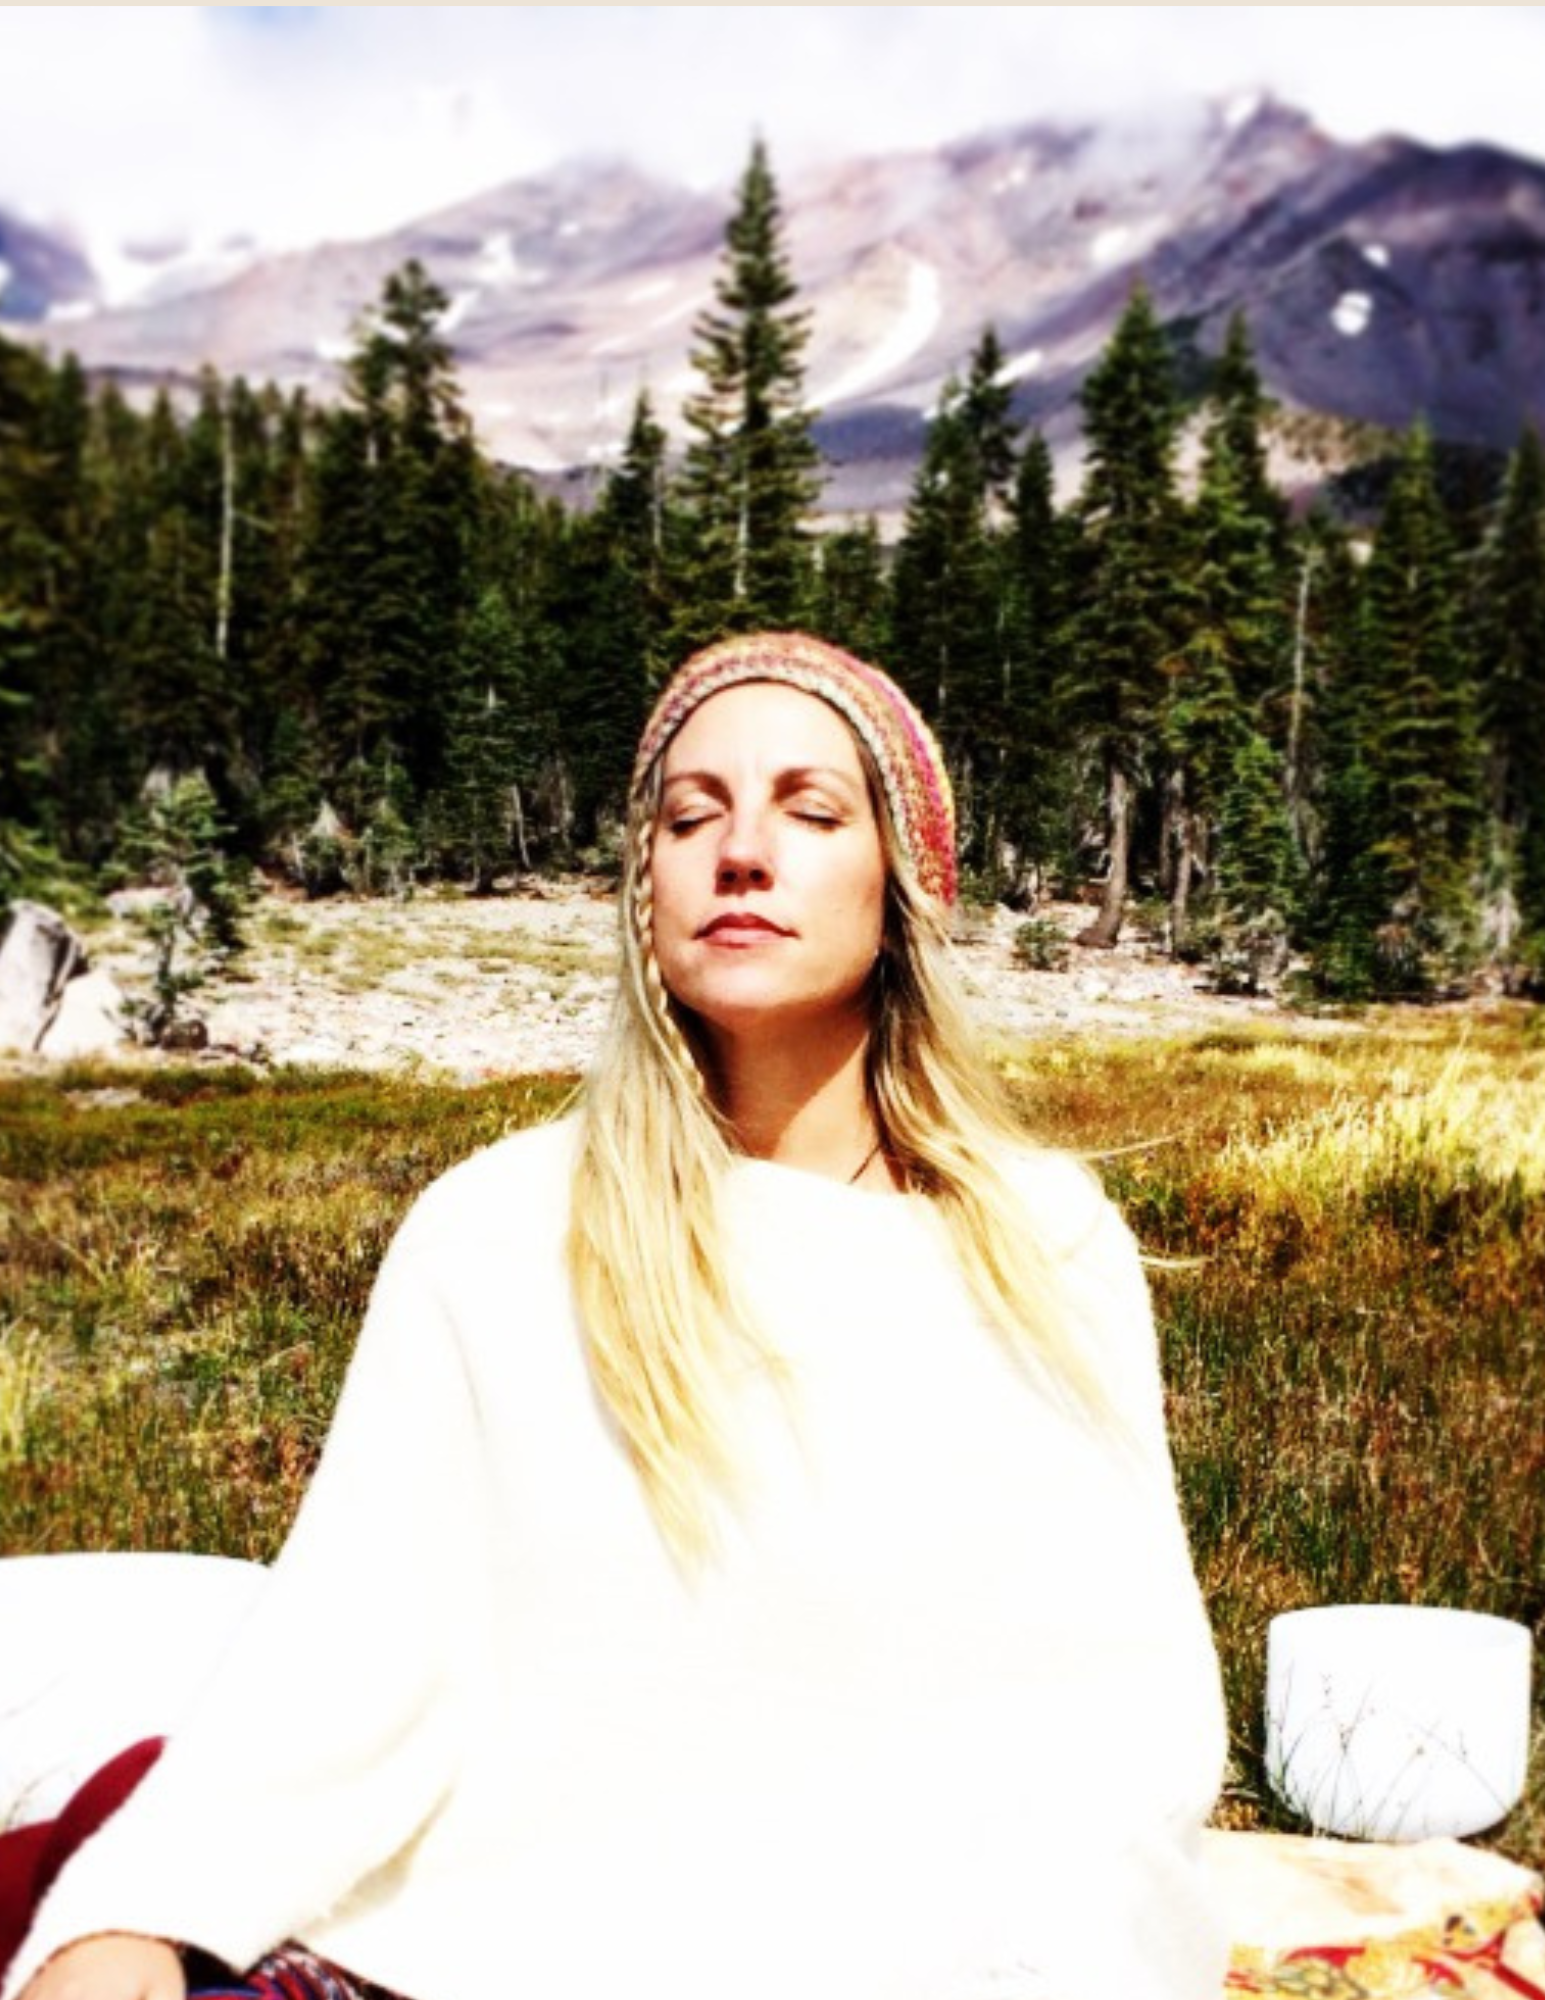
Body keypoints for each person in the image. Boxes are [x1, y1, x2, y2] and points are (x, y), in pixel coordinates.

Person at [8, 632, 1229, 2000]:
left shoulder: (1042, 1246)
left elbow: (1121, 1731)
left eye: (811, 811)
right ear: (643, 886)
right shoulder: (497, 1229)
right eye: (690, 815)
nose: (740, 852)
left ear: (905, 882)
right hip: (480, 1951)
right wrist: (132, 1912)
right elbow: (346, 1653)